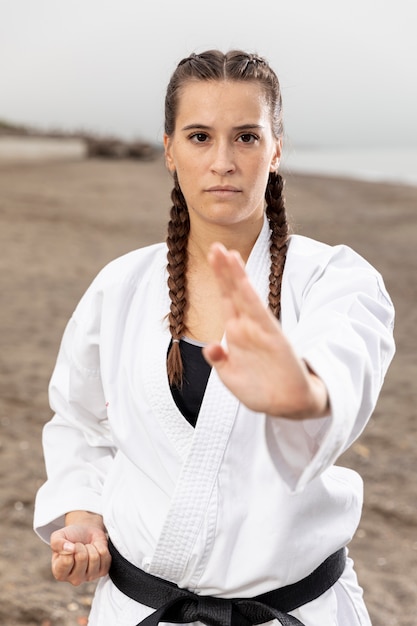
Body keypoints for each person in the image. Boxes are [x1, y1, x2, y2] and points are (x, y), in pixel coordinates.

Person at [34, 50, 395, 626]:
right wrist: (83, 516)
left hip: (293, 610)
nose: (222, 161)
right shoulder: (120, 286)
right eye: (200, 136)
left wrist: (300, 393)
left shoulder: (337, 280)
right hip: (141, 608)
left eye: (247, 137)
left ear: (277, 149)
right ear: (169, 150)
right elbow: (79, 422)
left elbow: (342, 376)